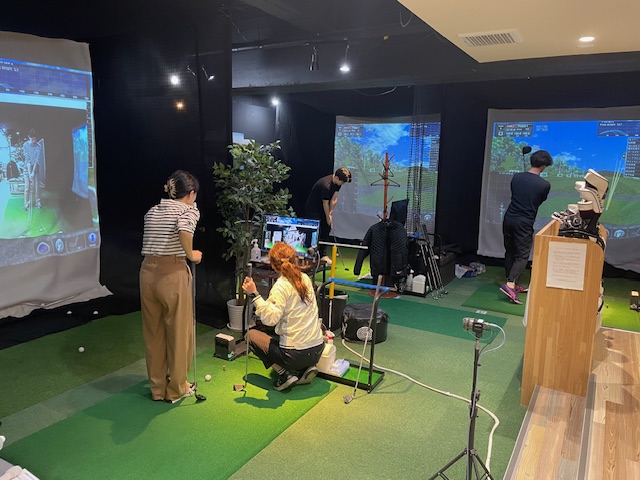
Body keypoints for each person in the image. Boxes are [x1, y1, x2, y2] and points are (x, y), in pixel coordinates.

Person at [140, 170, 202, 403]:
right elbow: (184, 230)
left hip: (147, 273)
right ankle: (177, 389)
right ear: (191, 193)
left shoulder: (152, 211)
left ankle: (157, 388)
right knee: (178, 332)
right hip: (172, 273)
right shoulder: (189, 210)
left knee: (154, 334)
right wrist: (192, 254)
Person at [241, 241, 325, 391]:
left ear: (273, 265)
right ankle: (304, 368)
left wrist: (254, 294)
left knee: (251, 335)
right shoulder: (305, 278)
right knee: (284, 330)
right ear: (294, 259)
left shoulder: (280, 286)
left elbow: (269, 320)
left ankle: (285, 374)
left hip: (294, 355)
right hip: (318, 349)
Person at [501, 150, 553, 304]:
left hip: (509, 218)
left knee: (510, 251)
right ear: (544, 166)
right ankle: (510, 284)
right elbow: (539, 200)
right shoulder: (544, 185)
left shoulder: (516, 177)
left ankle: (512, 282)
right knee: (522, 255)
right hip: (524, 222)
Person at [304, 167, 352, 262]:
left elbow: (334, 198)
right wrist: (327, 217)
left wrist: (330, 213)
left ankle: (323, 254)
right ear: (337, 178)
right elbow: (325, 203)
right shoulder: (325, 185)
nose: (342, 184)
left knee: (327, 227)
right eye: (342, 182)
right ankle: (310, 254)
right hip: (313, 208)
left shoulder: (337, 183)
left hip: (324, 207)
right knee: (316, 230)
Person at [22, 129, 43, 210]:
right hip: (26, 169)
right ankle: (26, 203)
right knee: (27, 187)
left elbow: (36, 160)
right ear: (29, 137)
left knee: (36, 187)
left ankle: (38, 202)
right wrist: (29, 173)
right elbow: (27, 160)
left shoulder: (38, 146)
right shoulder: (25, 145)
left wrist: (33, 172)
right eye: (32, 139)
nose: (34, 141)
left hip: (35, 169)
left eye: (35, 139)